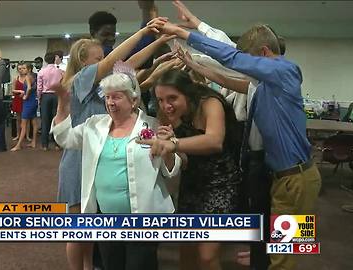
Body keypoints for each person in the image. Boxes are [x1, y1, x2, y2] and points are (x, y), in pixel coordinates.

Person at [153, 14, 322, 270]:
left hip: (296, 180)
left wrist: (182, 32)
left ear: (264, 53)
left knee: (283, 254)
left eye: (250, 62)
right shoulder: (267, 85)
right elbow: (232, 81)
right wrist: (197, 67)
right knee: (276, 249)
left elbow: (231, 58)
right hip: (285, 179)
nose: (245, 68)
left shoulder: (286, 71)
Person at [57, 20, 162, 270]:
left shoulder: (102, 84)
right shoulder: (82, 78)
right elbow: (117, 59)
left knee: (92, 230)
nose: (106, 61)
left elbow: (129, 64)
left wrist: (160, 43)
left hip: (97, 156)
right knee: (77, 230)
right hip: (77, 159)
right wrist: (144, 32)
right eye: (99, 58)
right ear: (84, 62)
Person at [52, 70, 181, 270]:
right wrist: (63, 102)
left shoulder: (153, 126)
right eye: (108, 97)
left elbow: (171, 172)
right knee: (111, 265)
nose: (111, 102)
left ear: (133, 100)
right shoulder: (94, 125)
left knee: (140, 266)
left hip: (143, 219)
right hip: (107, 219)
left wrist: (167, 150)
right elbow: (63, 138)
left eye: (117, 97)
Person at [139, 69, 241, 270]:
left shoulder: (209, 103)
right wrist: (167, 146)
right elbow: (183, 161)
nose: (166, 106)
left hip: (221, 183)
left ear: (187, 92)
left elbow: (214, 141)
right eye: (160, 100)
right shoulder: (169, 115)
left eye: (172, 98)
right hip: (192, 182)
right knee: (186, 249)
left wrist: (174, 144)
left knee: (207, 255)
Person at [37, 52, 63, 151]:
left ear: (45, 60)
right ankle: (57, 144)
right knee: (56, 119)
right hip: (56, 96)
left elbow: (39, 88)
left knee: (45, 120)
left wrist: (39, 98)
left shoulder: (41, 72)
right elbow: (62, 85)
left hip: (45, 96)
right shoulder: (60, 71)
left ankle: (45, 145)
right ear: (55, 59)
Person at [11, 62, 38, 151]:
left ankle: (18, 145)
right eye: (21, 69)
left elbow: (29, 88)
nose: (22, 70)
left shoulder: (27, 77)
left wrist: (25, 95)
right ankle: (33, 142)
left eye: (24, 68)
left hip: (28, 103)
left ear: (29, 69)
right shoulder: (33, 77)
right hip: (34, 101)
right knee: (34, 122)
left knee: (23, 124)